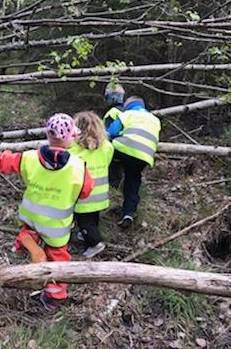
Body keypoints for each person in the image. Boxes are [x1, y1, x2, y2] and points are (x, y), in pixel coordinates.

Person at [0, 113, 94, 311]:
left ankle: (28, 242)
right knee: (58, 260)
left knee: (27, 233)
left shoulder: (28, 158)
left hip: (31, 219)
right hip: (57, 228)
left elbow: (3, 161)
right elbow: (86, 192)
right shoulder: (79, 166)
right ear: (71, 137)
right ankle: (55, 298)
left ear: (48, 134)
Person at [108, 96, 161, 229]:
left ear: (129, 105)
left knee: (111, 158)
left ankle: (111, 187)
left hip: (125, 149)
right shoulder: (155, 119)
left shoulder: (127, 114)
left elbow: (112, 131)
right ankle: (128, 213)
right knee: (133, 180)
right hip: (145, 155)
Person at [68, 111, 114, 258]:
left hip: (83, 194)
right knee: (93, 216)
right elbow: (107, 161)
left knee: (83, 219)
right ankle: (86, 234)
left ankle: (95, 243)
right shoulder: (106, 147)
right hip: (100, 193)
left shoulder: (73, 150)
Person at [103, 83, 125, 188]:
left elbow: (108, 134)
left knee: (113, 174)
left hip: (114, 149)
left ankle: (113, 190)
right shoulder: (127, 110)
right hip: (127, 147)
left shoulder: (112, 113)